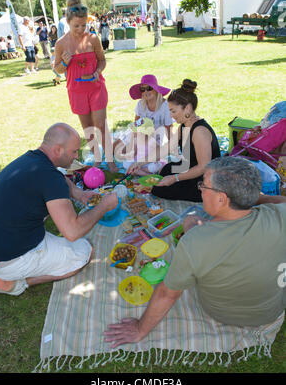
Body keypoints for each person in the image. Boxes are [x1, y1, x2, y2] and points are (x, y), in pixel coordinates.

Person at [104, 156, 286, 348]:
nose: (200, 190)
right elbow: (281, 200)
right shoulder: (280, 215)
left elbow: (167, 294)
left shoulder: (195, 242)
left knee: (191, 224)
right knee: (192, 222)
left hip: (225, 313)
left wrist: (140, 329)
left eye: (204, 186)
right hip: (271, 310)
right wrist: (259, 197)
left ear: (221, 199)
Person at [0, 123, 118, 296]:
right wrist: (104, 206)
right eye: (73, 151)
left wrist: (78, 194)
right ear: (57, 150)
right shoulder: (50, 177)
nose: (76, 156)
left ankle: (7, 272)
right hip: (12, 259)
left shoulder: (33, 160)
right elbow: (72, 231)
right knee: (84, 252)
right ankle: (16, 283)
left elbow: (59, 177)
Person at [54, 0, 117, 172]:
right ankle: (97, 158)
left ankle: (110, 160)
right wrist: (65, 63)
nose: (81, 29)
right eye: (76, 26)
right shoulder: (61, 44)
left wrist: (98, 71)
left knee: (100, 124)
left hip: (96, 88)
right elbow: (57, 69)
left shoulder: (93, 39)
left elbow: (102, 61)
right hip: (76, 91)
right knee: (88, 127)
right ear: (68, 22)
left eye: (84, 25)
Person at [151, 79, 221, 202]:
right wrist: (140, 163)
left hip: (205, 179)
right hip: (190, 167)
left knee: (159, 189)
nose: (171, 115)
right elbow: (168, 148)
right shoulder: (183, 126)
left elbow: (203, 167)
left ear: (187, 108)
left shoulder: (199, 131)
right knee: (167, 169)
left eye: (173, 111)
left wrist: (174, 179)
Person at [113, 74, 173, 174]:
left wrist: (170, 146)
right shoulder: (141, 104)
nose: (146, 92)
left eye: (149, 88)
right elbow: (135, 125)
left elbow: (169, 128)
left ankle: (139, 170)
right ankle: (114, 161)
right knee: (116, 147)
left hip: (155, 137)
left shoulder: (165, 106)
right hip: (140, 134)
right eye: (142, 89)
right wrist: (134, 138)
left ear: (155, 89)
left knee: (152, 160)